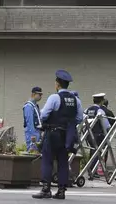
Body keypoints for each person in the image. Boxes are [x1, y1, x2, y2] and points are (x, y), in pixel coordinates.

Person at [33, 70, 83, 199]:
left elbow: (43, 115)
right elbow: (79, 118)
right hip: (67, 135)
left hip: (53, 133)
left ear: (57, 84)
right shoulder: (76, 100)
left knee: (48, 160)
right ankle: (61, 191)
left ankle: (46, 189)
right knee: (63, 162)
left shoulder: (54, 98)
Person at [85, 93, 112, 171]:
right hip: (98, 135)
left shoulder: (88, 109)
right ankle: (93, 170)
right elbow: (107, 125)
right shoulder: (100, 111)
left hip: (88, 135)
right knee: (97, 152)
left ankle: (90, 168)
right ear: (102, 101)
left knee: (92, 151)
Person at [24, 86, 43, 152]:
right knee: (31, 152)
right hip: (32, 134)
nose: (41, 96)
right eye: (39, 94)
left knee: (36, 153)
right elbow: (30, 123)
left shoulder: (35, 106)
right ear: (33, 94)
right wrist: (33, 137)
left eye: (41, 95)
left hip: (37, 133)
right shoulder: (29, 106)